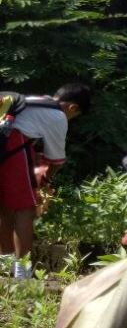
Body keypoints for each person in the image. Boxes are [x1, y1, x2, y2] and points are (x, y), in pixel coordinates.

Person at [0, 83, 91, 280]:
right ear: (73, 108)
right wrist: (46, 178)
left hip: (6, 144)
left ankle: (5, 260)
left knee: (4, 206)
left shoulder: (35, 101)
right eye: (74, 115)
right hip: (12, 145)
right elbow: (56, 159)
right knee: (25, 209)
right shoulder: (57, 115)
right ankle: (22, 273)